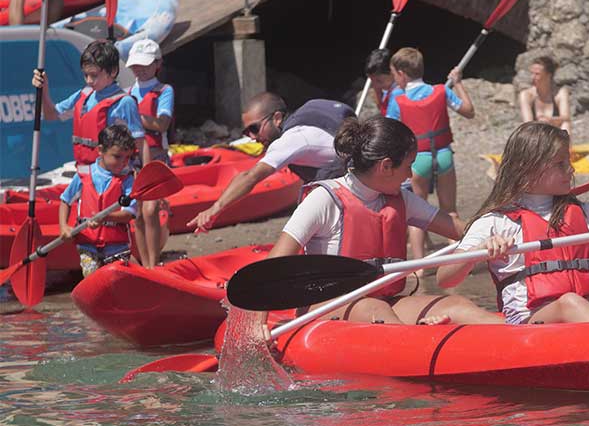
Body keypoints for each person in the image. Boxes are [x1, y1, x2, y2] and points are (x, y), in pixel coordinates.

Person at [437, 122, 589, 325]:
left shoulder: (582, 213)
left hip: (585, 312)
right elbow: (445, 278)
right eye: (560, 164)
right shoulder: (495, 222)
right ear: (527, 169)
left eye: (568, 161)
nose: (571, 169)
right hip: (530, 322)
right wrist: (478, 250)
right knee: (571, 303)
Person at [267, 115, 504, 326]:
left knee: (455, 304)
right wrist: (259, 323)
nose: (410, 175)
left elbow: (462, 230)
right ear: (386, 166)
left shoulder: (401, 200)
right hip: (326, 306)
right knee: (373, 309)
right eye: (408, 166)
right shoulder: (324, 199)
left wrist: (494, 238)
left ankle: (518, 335)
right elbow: (273, 266)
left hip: (383, 302)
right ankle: (415, 341)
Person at [187, 93, 355, 232]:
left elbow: (250, 176)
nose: (252, 137)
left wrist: (215, 209)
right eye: (246, 132)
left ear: (277, 118)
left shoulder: (292, 139)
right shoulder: (306, 126)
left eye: (254, 129)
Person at [386, 47, 475, 261]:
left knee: (417, 215)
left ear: (401, 74)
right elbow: (469, 111)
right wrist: (458, 83)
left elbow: (388, 131)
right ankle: (460, 260)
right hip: (443, 156)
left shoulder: (397, 99)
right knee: (450, 211)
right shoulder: (441, 91)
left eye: (393, 74)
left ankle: (419, 266)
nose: (393, 79)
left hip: (418, 160)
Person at [31, 39, 149, 175]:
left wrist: (147, 177)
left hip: (114, 178)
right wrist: (44, 91)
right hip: (84, 176)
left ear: (113, 71)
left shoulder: (125, 102)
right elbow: (51, 115)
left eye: (94, 75)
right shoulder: (83, 95)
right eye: (85, 75)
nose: (89, 80)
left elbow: (141, 143)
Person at [58, 125, 137, 278]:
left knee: (116, 280)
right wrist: (63, 227)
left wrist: (105, 217)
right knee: (92, 275)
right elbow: (65, 201)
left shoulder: (127, 180)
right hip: (88, 244)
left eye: (127, 157)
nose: (123, 162)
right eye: (117, 156)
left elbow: (129, 214)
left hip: (117, 247)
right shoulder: (83, 175)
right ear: (100, 150)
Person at [125, 38, 173, 270]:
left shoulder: (164, 91)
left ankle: (153, 264)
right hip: (131, 157)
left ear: (157, 64)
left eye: (145, 65)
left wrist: (133, 117)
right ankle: (146, 265)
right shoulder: (127, 93)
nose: (140, 69)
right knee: (137, 214)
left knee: (151, 209)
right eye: (136, 65)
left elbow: (162, 124)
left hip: (155, 156)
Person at [518, 56, 572, 135]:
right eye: (531, 73)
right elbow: (528, 123)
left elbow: (566, 117)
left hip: (554, 134)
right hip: (535, 135)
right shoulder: (526, 95)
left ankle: (566, 143)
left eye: (537, 74)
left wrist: (549, 120)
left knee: (565, 124)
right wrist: (541, 123)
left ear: (548, 75)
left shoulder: (560, 93)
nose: (532, 77)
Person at [364, 48, 396, 116]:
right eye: (372, 80)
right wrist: (378, 93)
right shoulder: (386, 91)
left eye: (379, 81)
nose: (375, 85)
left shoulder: (399, 95)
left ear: (393, 71)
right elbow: (381, 108)